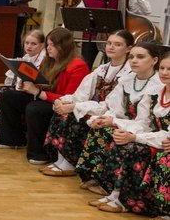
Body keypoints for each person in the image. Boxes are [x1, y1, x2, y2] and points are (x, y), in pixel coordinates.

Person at [40, 29, 134, 185]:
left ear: (128, 48)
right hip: (94, 108)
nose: (111, 47)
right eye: (109, 43)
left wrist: (75, 107)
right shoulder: (102, 69)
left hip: (113, 114)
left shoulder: (129, 73)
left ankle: (71, 163)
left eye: (117, 44)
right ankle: (62, 158)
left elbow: (110, 105)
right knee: (61, 112)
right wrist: (63, 101)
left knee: (72, 117)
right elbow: (81, 93)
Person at [78, 42, 162, 213]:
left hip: (147, 132)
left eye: (140, 57)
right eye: (131, 57)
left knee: (126, 144)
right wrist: (106, 119)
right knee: (101, 129)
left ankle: (120, 195)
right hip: (129, 126)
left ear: (154, 60)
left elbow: (145, 123)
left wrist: (118, 125)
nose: (134, 61)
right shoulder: (127, 80)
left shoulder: (157, 86)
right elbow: (114, 108)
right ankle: (105, 185)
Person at [0, 27, 90, 165]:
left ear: (64, 46)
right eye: (48, 45)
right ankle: (13, 139)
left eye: (53, 45)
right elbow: (44, 82)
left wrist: (38, 92)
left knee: (35, 108)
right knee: (9, 96)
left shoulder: (77, 66)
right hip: (47, 96)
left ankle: (41, 153)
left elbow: (69, 97)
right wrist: (29, 83)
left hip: (62, 103)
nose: (49, 48)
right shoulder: (49, 60)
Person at [76, 0, 152, 68]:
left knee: (115, 67)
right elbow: (76, 17)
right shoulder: (88, 0)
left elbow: (147, 11)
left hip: (118, 40)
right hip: (92, 39)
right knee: (85, 66)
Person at [0, 28, 46, 140]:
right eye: (27, 43)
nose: (29, 46)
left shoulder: (43, 60)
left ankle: (1, 129)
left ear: (41, 45)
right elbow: (12, 80)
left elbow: (40, 79)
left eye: (33, 44)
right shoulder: (26, 57)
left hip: (35, 92)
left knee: (1, 94)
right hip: (23, 88)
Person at [137, 49, 170, 220]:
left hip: (164, 141)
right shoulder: (156, 93)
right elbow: (144, 122)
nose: (164, 73)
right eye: (162, 68)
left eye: (169, 69)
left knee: (166, 158)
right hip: (162, 139)